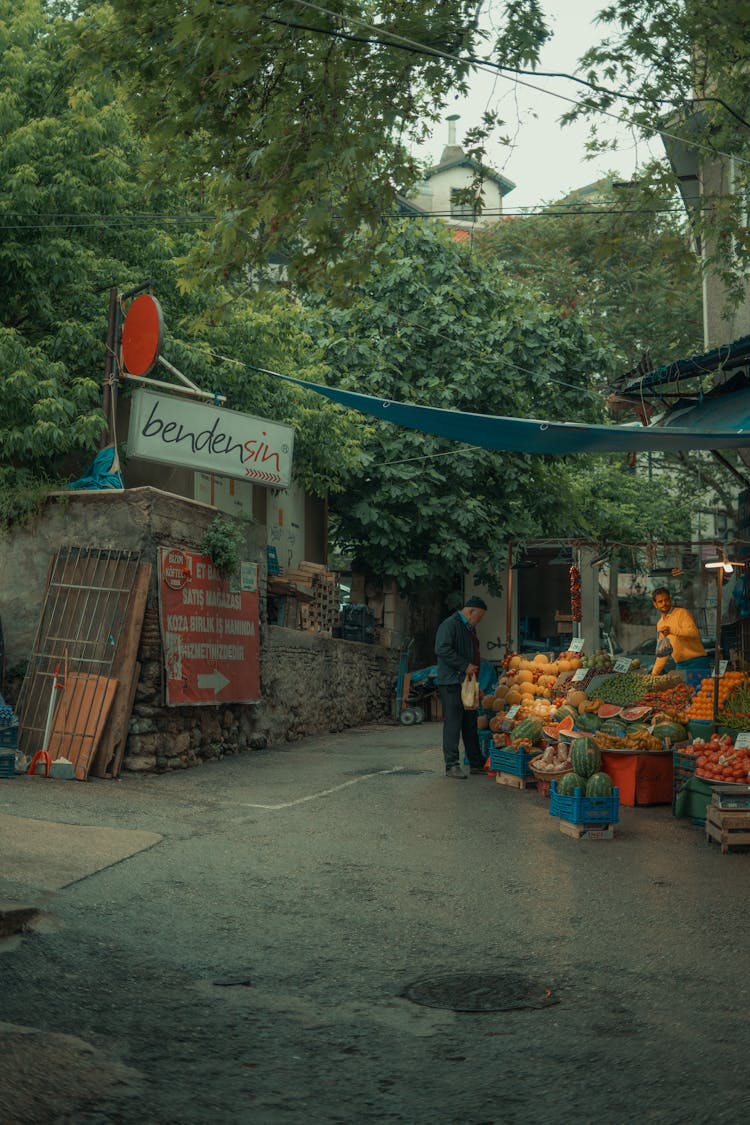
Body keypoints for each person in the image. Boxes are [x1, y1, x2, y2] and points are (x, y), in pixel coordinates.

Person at [435, 595, 488, 779]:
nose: (479, 621)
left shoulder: (469, 628)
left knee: (470, 723)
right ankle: (451, 765)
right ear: (471, 611)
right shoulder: (450, 624)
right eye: (478, 617)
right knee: (453, 723)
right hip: (451, 682)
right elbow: (442, 648)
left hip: (467, 683)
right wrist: (464, 665)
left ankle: (475, 762)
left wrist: (476, 684)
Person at [650, 587, 708, 676]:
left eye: (666, 600)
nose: (664, 603)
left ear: (670, 600)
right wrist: (654, 673)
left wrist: (671, 630)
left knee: (702, 689)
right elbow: (663, 652)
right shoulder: (660, 624)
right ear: (655, 604)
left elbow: (694, 632)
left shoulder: (682, 613)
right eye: (660, 601)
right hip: (680, 665)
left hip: (697, 661)